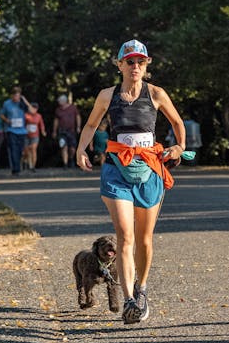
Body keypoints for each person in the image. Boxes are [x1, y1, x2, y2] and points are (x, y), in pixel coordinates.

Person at [76, 39, 186, 325]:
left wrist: (178, 147)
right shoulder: (106, 96)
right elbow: (90, 125)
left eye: (140, 61)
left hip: (150, 168)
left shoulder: (157, 94)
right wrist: (81, 149)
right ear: (119, 65)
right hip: (116, 168)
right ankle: (128, 302)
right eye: (130, 61)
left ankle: (142, 289)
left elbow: (177, 123)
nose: (135, 66)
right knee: (125, 236)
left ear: (146, 65)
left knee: (144, 239)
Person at [1, 87, 31, 176]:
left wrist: (25, 100)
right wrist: (7, 121)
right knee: (13, 149)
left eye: (18, 96)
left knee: (22, 150)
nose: (16, 98)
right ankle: (16, 169)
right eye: (14, 96)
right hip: (11, 130)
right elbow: (1, 115)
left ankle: (19, 165)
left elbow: (32, 110)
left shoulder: (22, 103)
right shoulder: (7, 104)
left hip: (22, 131)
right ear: (11, 96)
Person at [53, 94, 82, 168]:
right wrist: (54, 131)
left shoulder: (73, 108)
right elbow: (56, 121)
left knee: (72, 148)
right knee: (63, 146)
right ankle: (65, 164)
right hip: (61, 131)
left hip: (71, 131)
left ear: (64, 101)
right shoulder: (58, 110)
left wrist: (78, 127)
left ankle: (71, 159)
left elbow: (78, 117)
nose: (58, 102)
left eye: (59, 101)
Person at [23, 103, 46, 171]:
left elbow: (41, 124)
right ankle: (25, 161)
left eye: (35, 108)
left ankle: (33, 166)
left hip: (35, 136)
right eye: (32, 108)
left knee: (33, 149)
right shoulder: (26, 115)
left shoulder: (39, 116)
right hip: (26, 135)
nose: (33, 110)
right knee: (26, 151)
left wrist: (43, 131)